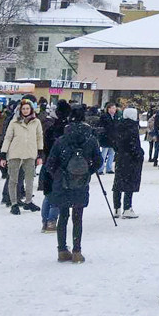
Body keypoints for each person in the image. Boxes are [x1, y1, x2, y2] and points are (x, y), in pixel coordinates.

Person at [45, 105, 102, 263]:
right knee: (78, 217)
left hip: (63, 183)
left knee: (63, 216)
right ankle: (77, 251)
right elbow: (98, 161)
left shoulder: (62, 139)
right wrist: (86, 172)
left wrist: (59, 175)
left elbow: (50, 163)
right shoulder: (90, 139)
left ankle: (62, 250)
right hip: (81, 183)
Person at [0, 97, 44, 215]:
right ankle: (14, 203)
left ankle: (28, 201)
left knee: (29, 179)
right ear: (20, 110)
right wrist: (3, 155)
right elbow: (7, 138)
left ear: (31, 109)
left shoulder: (36, 122)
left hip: (30, 154)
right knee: (13, 179)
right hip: (15, 154)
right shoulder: (14, 122)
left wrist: (40, 154)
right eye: (23, 108)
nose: (25, 110)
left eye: (27, 108)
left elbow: (39, 137)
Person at [40, 100, 72, 233]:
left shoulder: (51, 128)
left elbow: (45, 146)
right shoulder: (66, 130)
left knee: (48, 193)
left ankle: (45, 220)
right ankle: (52, 221)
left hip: (48, 163)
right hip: (61, 166)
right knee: (58, 194)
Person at [113, 107, 144, 218]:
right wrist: (139, 153)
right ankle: (127, 208)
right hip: (131, 159)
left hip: (120, 157)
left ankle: (116, 208)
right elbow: (134, 145)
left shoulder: (118, 125)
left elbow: (115, 142)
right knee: (129, 183)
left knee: (118, 182)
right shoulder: (132, 127)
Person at [96, 103, 119, 174]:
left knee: (112, 154)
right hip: (106, 137)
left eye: (115, 108)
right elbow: (102, 126)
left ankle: (109, 168)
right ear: (108, 109)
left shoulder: (116, 116)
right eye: (113, 108)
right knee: (104, 154)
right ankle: (100, 169)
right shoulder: (104, 116)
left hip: (114, 138)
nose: (114, 110)